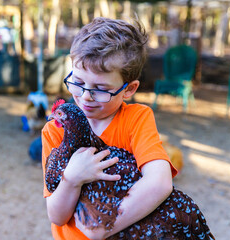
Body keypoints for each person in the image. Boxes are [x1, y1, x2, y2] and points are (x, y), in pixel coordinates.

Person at [41, 17, 178, 240]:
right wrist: (72, 178)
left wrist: (104, 225)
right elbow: (56, 215)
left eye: (101, 88)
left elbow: (160, 183)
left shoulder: (136, 119)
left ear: (128, 89)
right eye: (78, 82)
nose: (86, 96)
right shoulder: (55, 131)